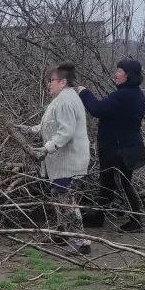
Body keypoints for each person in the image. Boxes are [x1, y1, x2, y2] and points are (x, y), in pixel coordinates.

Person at [22, 63, 91, 255]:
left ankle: (81, 242)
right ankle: (64, 233)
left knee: (66, 199)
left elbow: (65, 132)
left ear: (63, 81)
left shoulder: (66, 101)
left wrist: (45, 149)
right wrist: (27, 130)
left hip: (68, 161)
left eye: (51, 81)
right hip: (62, 160)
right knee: (59, 196)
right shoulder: (62, 99)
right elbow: (49, 125)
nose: (48, 85)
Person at [78, 57, 145, 233]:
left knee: (122, 183)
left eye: (119, 71)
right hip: (127, 146)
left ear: (128, 75)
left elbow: (97, 109)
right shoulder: (136, 94)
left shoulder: (124, 95)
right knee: (107, 182)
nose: (116, 74)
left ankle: (136, 220)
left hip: (118, 149)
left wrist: (84, 92)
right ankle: (98, 217)